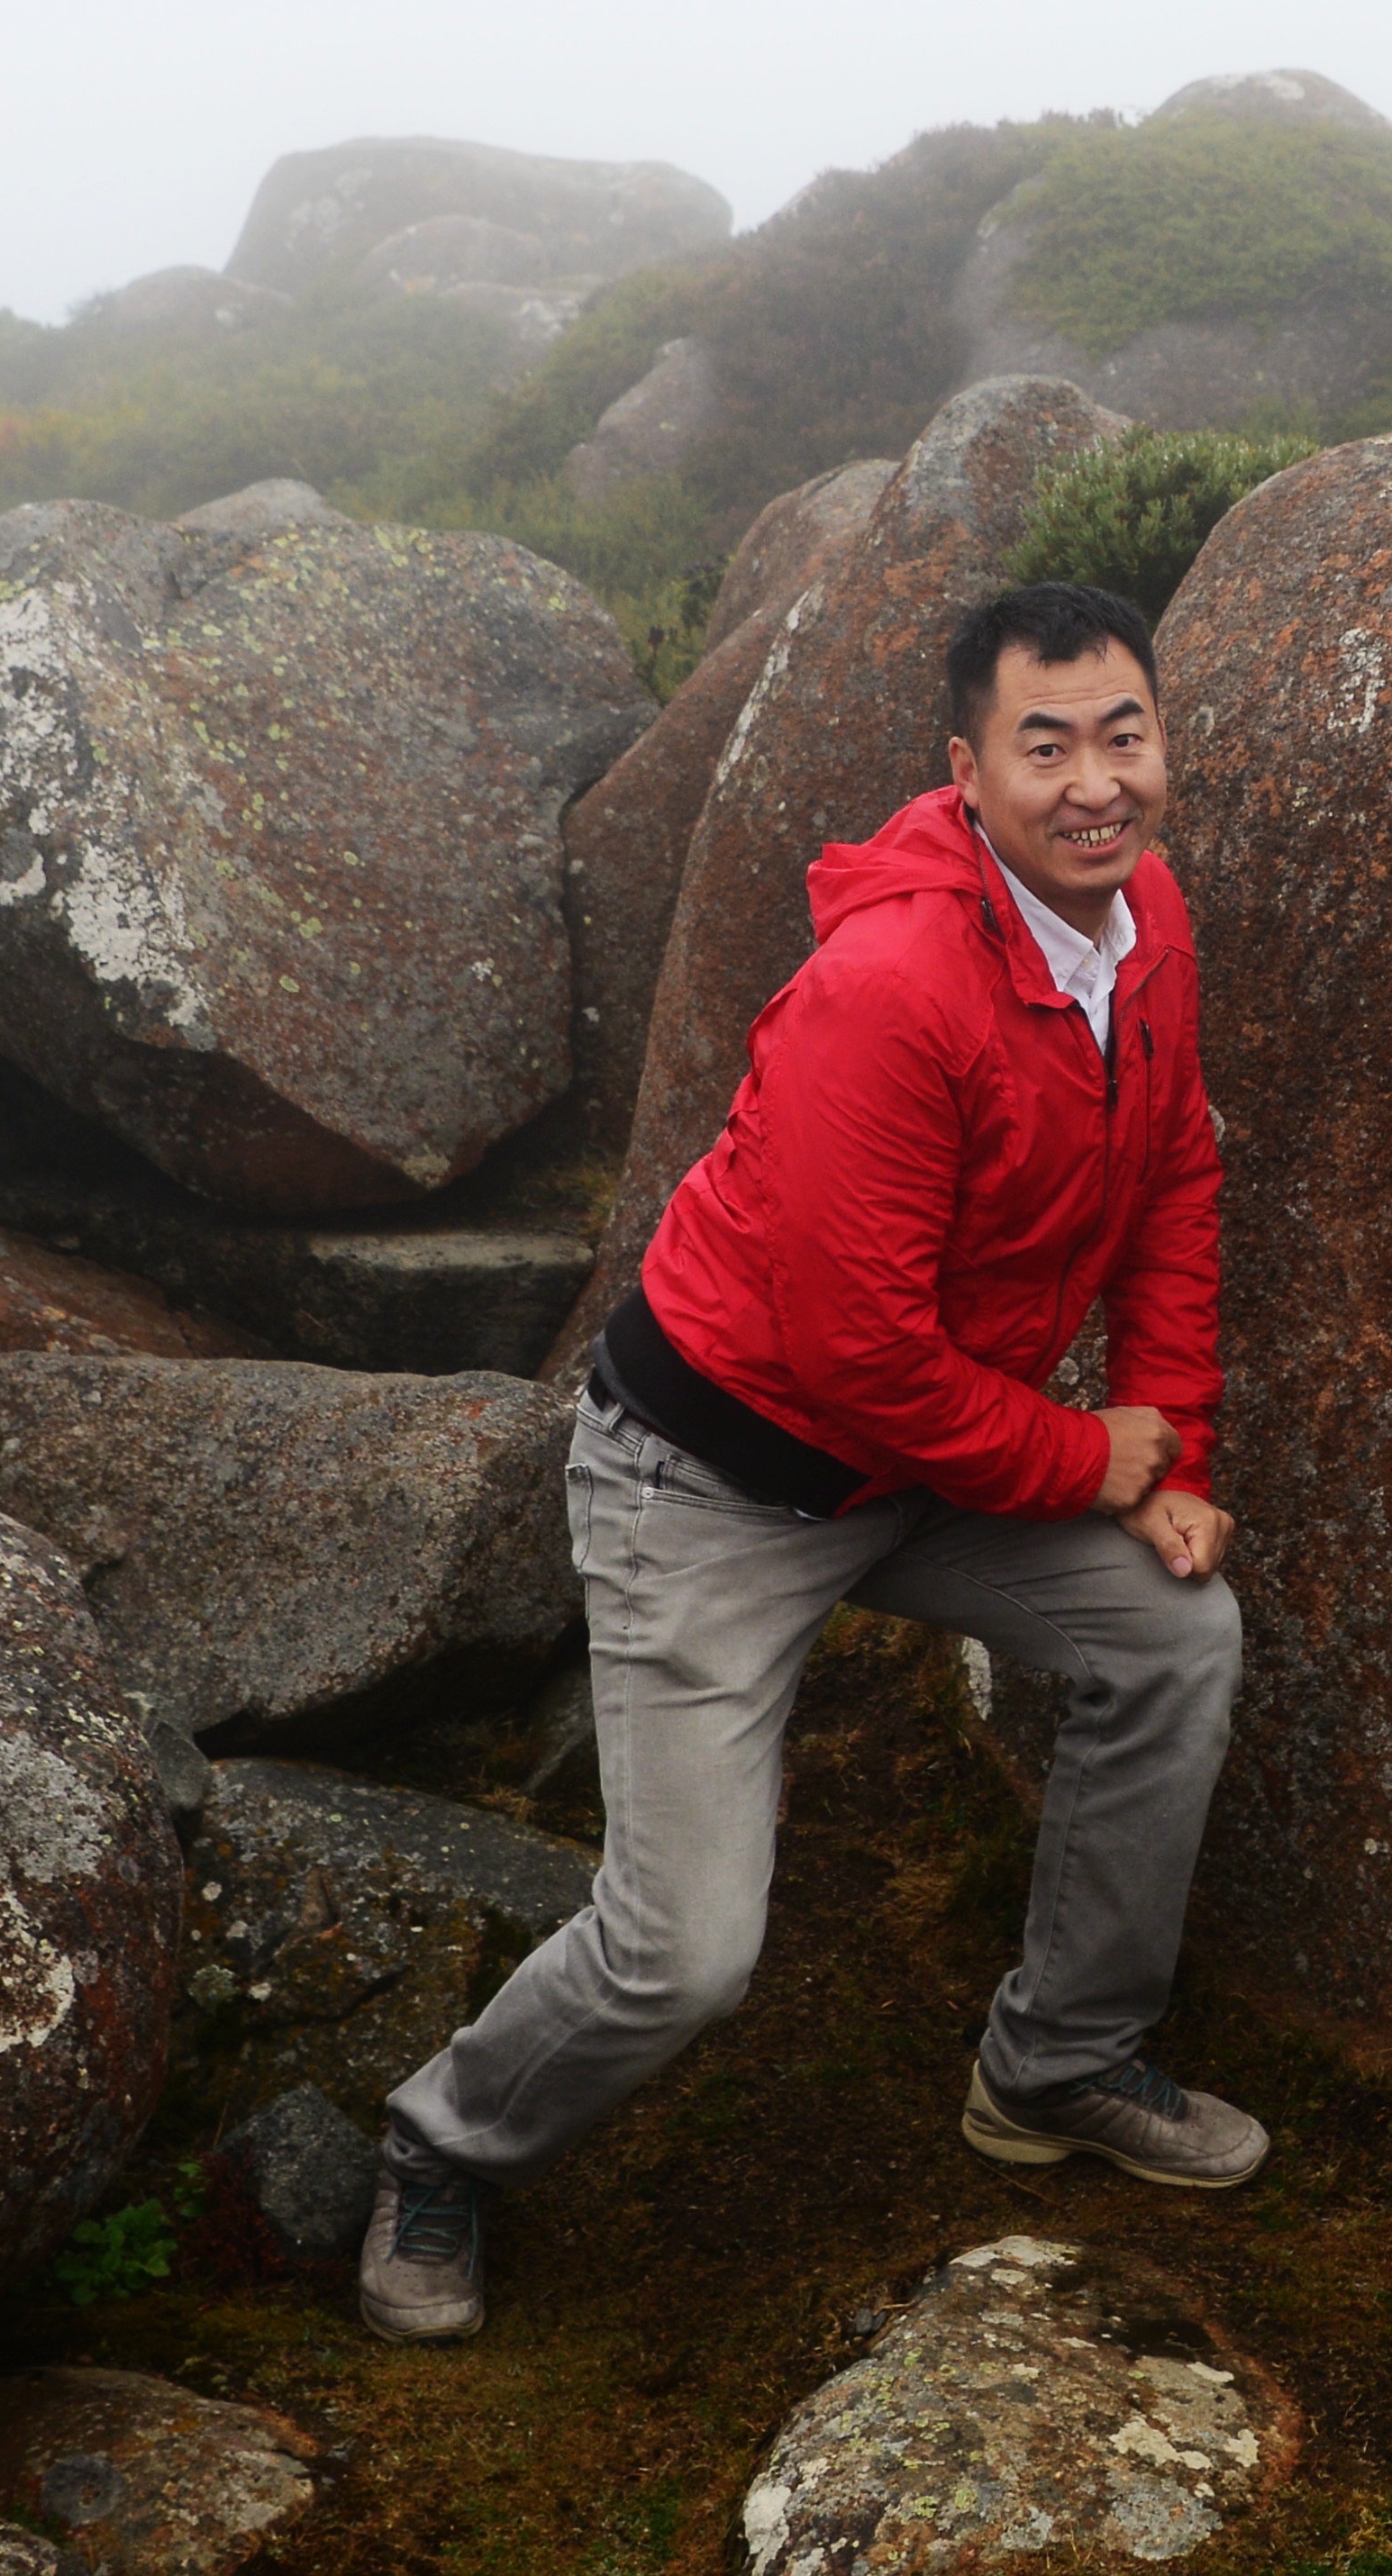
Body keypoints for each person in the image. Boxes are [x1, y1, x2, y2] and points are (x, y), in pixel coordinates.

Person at [359, 583, 1252, 2344]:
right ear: (967, 767)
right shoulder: (889, 988)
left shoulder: (1143, 921)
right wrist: (1083, 1451)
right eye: (1044, 743)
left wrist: (1168, 1450)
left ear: (1161, 735)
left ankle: (1058, 2056)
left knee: (1172, 1633)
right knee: (683, 1948)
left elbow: (1171, 1179)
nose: (1095, 781)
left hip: (928, 1459)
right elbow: (851, 1347)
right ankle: (443, 2139)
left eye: (1122, 732)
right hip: (715, 1480)